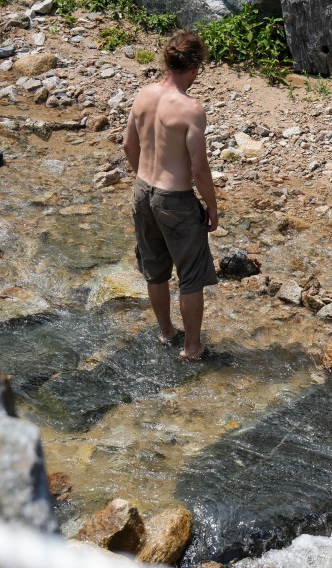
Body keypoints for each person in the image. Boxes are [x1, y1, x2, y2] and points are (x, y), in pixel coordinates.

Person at [123, 30, 218, 361]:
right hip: (174, 199)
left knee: (155, 268)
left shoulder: (144, 95)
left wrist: (144, 178)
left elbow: (128, 146)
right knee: (191, 275)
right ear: (194, 68)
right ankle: (192, 348)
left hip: (142, 191)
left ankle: (166, 332)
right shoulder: (191, 110)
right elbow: (199, 168)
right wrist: (211, 206)